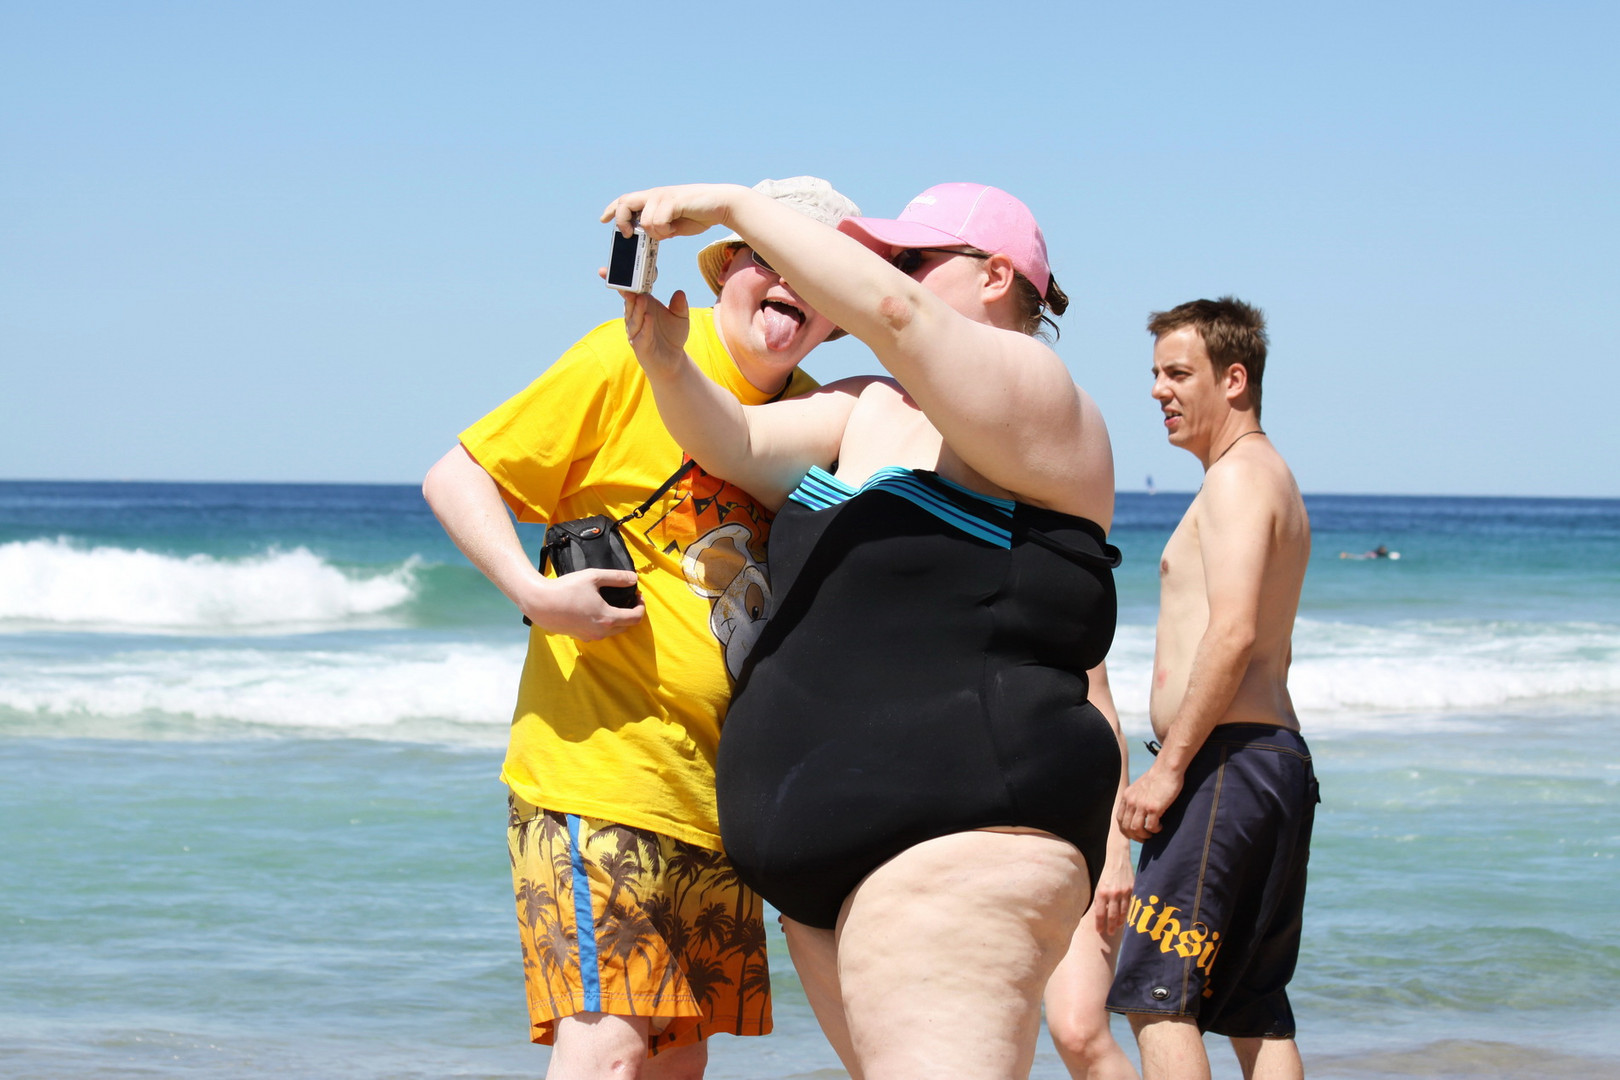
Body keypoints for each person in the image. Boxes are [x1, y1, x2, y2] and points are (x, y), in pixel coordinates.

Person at [604, 180, 1126, 1080]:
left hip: (956, 844)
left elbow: (895, 313)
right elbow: (732, 441)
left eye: (916, 257)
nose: (894, 274)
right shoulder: (869, 404)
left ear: (998, 276)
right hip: (821, 874)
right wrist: (665, 361)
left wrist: (732, 205)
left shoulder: (1042, 395)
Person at [421, 176, 860, 1080]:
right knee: (611, 1053)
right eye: (768, 262)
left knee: (672, 1063)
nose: (791, 290)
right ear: (728, 265)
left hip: (721, 802)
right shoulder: (636, 353)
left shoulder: (820, 415)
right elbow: (457, 474)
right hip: (595, 776)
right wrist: (535, 595)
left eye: (817, 277)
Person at [1106, 298, 1317, 1080]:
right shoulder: (1271, 478)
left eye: (1178, 373)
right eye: (1155, 374)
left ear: (1235, 379)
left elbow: (1231, 634)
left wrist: (1167, 768)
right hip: (1270, 762)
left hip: (1226, 765)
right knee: (1251, 1005)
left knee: (1156, 995)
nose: (1159, 390)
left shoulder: (1236, 481)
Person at [1042, 658, 1141, 1080]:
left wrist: (1116, 854)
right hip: (958, 843)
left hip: (1077, 836)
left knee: (1079, 1032)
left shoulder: (1048, 593)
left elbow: (1105, 719)